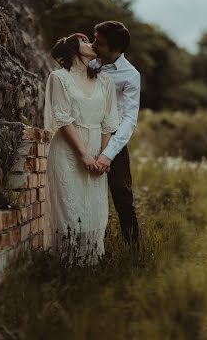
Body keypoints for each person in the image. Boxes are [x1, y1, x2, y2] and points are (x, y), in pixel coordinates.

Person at [42, 33, 120, 264]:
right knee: (69, 208)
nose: (92, 44)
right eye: (85, 42)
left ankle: (91, 265)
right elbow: (63, 119)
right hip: (68, 151)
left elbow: (109, 121)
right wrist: (84, 155)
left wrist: (103, 155)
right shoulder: (59, 78)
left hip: (97, 148)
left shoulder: (105, 81)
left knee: (93, 210)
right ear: (73, 50)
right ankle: (66, 267)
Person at [85, 20, 141, 249]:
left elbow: (129, 119)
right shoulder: (87, 62)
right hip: (84, 132)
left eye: (99, 43)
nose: (93, 44)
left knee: (121, 193)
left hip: (114, 137)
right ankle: (85, 244)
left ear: (115, 49)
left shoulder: (130, 75)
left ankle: (133, 251)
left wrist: (108, 154)